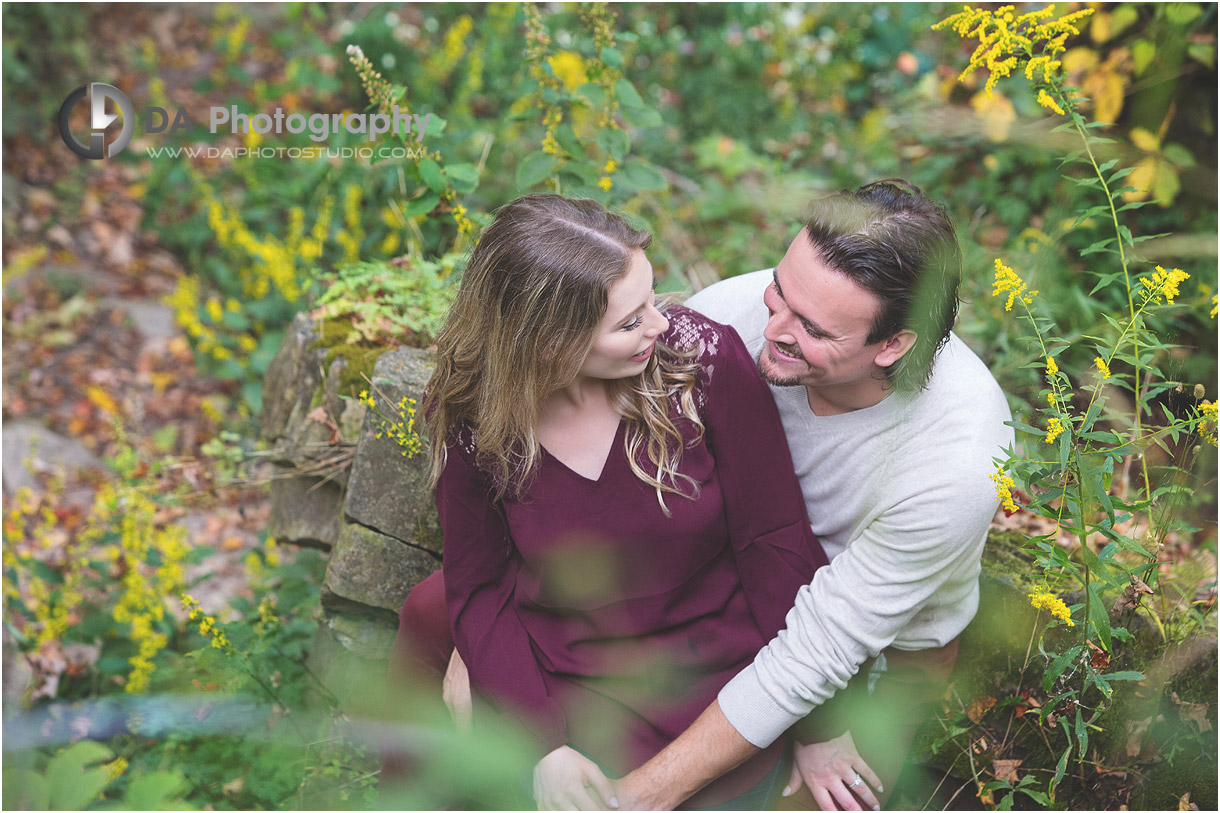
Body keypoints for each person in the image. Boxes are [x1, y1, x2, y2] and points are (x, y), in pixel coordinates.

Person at [388, 194, 828, 809]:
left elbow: (774, 543)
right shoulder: (477, 418)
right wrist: (544, 745)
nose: (660, 323)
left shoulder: (703, 365)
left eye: (651, 298)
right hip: (556, 676)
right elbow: (480, 583)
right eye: (629, 321)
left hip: (708, 677)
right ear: (549, 345)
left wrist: (819, 723)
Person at [604, 179, 1016, 810]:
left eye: (815, 329)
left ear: (893, 346)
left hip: (877, 655)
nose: (773, 328)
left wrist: (636, 798)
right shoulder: (735, 317)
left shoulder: (956, 459)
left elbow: (817, 652)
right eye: (780, 290)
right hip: (732, 591)